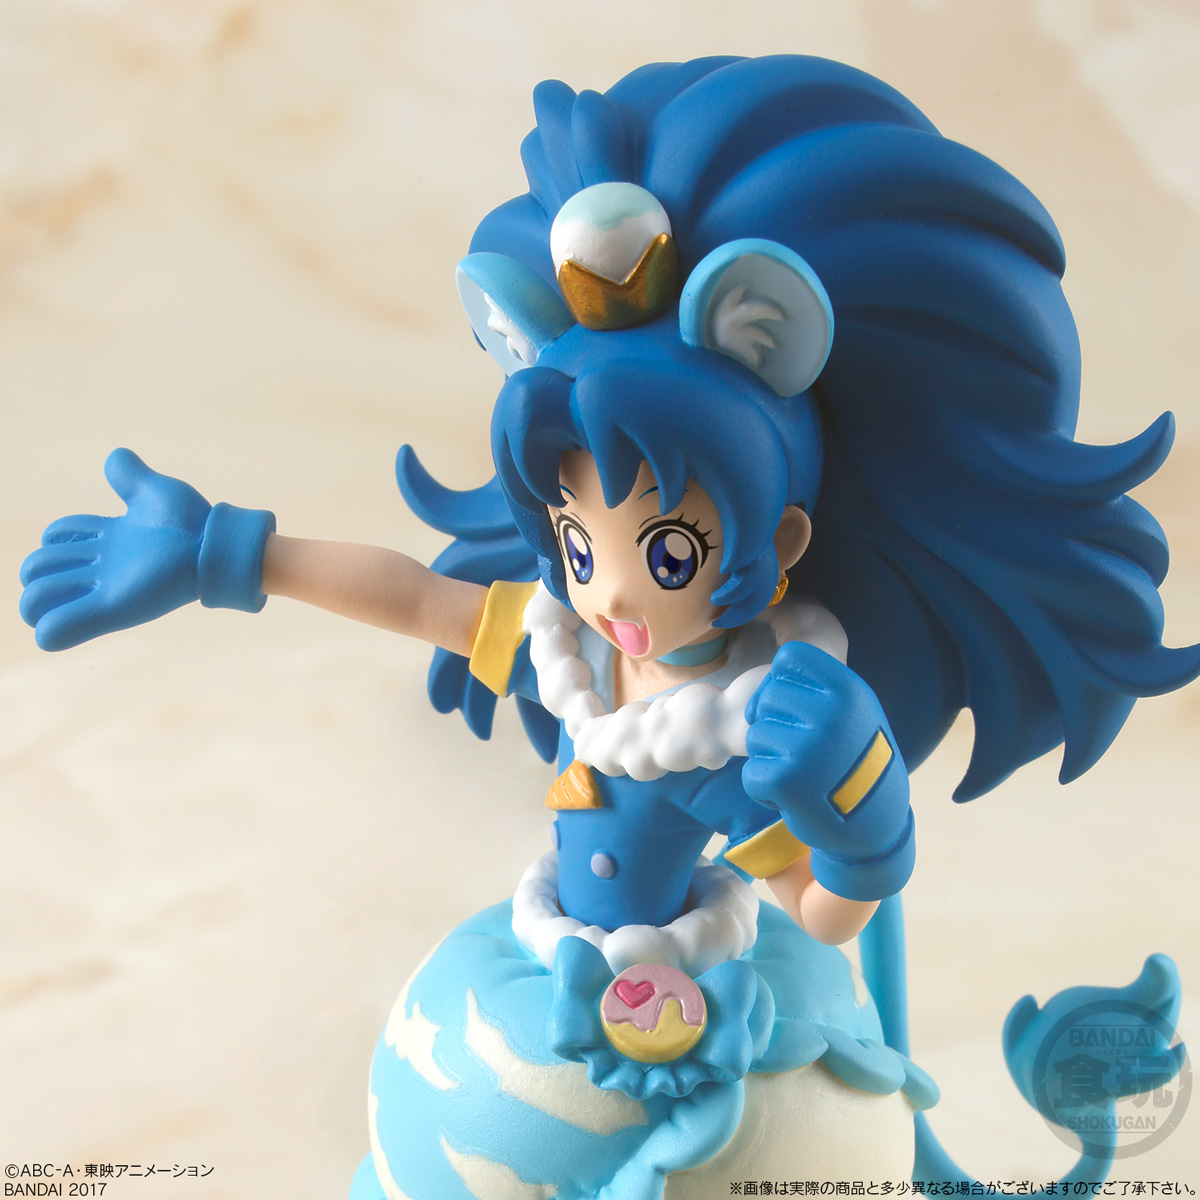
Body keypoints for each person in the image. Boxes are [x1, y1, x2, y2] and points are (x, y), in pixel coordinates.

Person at [20, 55, 1197, 1195]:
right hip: (542, 972)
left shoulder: (745, 725)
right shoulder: (576, 653)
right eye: (581, 545)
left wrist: (868, 824)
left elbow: (820, 916)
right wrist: (225, 554)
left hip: (691, 1017)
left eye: (669, 551)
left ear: (782, 540)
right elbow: (415, 596)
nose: (616, 595)